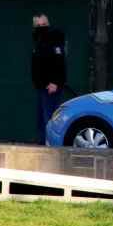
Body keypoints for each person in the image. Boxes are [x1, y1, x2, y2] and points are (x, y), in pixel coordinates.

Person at [31, 14, 66, 144]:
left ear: (48, 24)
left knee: (50, 119)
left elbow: (59, 62)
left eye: (44, 24)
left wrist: (55, 82)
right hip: (41, 87)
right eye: (38, 25)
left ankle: (52, 146)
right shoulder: (38, 41)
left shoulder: (54, 39)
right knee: (41, 119)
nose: (41, 27)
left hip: (51, 87)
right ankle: (42, 144)